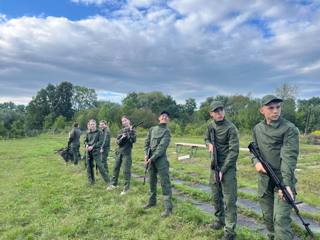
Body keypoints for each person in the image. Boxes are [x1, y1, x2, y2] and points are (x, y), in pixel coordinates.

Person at [252, 95, 299, 240]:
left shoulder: (289, 129)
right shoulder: (257, 129)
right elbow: (255, 150)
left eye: (278, 107)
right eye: (271, 108)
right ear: (262, 110)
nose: (275, 111)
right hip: (264, 181)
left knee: (280, 220)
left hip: (282, 180)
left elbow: (288, 158)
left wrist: (286, 185)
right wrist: (256, 162)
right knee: (268, 219)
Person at [204, 101, 239, 240]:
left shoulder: (231, 128)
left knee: (229, 200)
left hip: (227, 168)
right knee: (216, 196)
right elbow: (206, 138)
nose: (219, 113)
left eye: (221, 110)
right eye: (216, 111)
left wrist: (223, 170)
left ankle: (230, 232)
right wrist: (209, 144)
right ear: (211, 113)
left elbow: (234, 151)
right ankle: (219, 220)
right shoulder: (210, 126)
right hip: (214, 167)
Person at [143, 111, 173, 217]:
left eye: (167, 116)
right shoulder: (152, 129)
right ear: (159, 118)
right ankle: (152, 202)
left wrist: (152, 158)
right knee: (151, 181)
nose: (165, 117)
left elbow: (161, 147)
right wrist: (146, 154)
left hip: (161, 161)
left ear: (168, 120)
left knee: (165, 183)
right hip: (150, 159)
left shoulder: (167, 132)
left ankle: (168, 208)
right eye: (163, 116)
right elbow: (146, 143)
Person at [108, 116, 136, 195]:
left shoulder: (132, 130)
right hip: (119, 152)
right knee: (115, 169)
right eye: (123, 121)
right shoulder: (121, 131)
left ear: (128, 120)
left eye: (125, 120)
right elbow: (118, 143)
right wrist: (123, 137)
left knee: (126, 171)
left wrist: (130, 132)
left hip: (127, 153)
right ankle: (114, 184)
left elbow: (133, 140)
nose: (124, 122)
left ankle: (126, 189)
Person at [84, 119, 110, 186]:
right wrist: (86, 144)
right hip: (88, 152)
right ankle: (91, 182)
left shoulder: (99, 132)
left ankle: (108, 182)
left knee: (100, 166)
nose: (92, 125)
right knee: (89, 167)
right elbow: (85, 140)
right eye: (90, 124)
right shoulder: (87, 132)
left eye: (93, 124)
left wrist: (93, 146)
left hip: (96, 151)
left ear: (95, 125)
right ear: (89, 125)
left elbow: (100, 142)